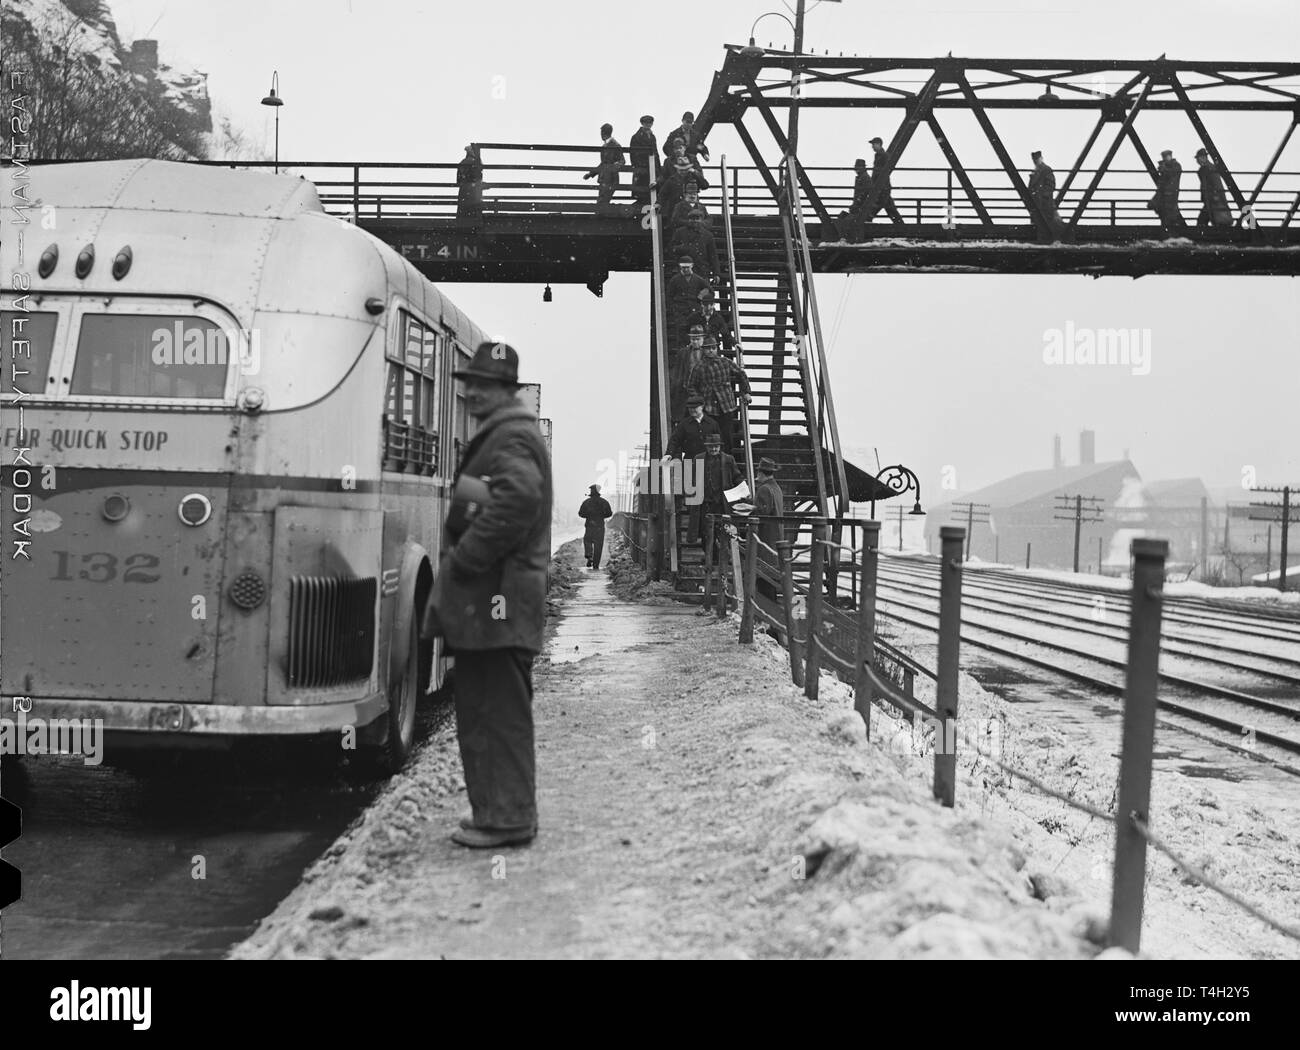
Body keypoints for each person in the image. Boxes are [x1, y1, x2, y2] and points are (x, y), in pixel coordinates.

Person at [427, 342, 552, 849]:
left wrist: (465, 560)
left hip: (498, 598)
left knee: (497, 713)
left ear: (507, 390)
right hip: (490, 602)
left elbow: (516, 501)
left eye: (483, 383)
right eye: (469, 381)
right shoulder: (504, 434)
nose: (471, 390)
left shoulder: (511, 437)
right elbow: (485, 502)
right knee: (483, 707)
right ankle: (496, 814)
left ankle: (509, 820)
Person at [687, 337, 752, 455]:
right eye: (708, 349)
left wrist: (746, 392)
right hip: (709, 408)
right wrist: (699, 402)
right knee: (710, 438)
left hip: (726, 406)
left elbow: (741, 374)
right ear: (703, 350)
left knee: (726, 437)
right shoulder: (699, 367)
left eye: (713, 348)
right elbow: (691, 386)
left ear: (717, 349)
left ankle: (727, 461)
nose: (711, 351)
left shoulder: (725, 362)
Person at [689, 432, 743, 548]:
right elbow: (691, 480)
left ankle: (721, 558)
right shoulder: (698, 459)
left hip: (722, 503)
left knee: (724, 531)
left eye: (716, 446)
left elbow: (737, 476)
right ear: (706, 446)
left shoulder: (728, 460)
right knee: (705, 532)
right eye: (711, 446)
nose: (713, 449)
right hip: (705, 503)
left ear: (720, 446)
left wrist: (744, 488)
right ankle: (710, 558)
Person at [752, 457, 785, 606]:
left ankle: (768, 617)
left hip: (765, 538)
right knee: (770, 580)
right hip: (775, 538)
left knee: (764, 580)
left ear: (760, 473)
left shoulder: (764, 488)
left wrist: (749, 507)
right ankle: (772, 619)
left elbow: (762, 512)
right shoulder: (776, 487)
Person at [666, 255, 709, 348]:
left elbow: (709, 289)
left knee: (696, 334)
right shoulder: (675, 280)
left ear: (692, 266)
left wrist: (700, 296)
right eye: (683, 267)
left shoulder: (698, 279)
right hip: (680, 312)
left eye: (687, 267)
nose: (685, 270)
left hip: (694, 311)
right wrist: (674, 309)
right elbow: (669, 296)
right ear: (680, 267)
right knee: (682, 335)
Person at [669, 209, 719, 280]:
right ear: (688, 220)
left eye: (697, 218)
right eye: (692, 218)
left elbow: (713, 255)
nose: (694, 221)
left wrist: (716, 273)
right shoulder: (679, 232)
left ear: (701, 220)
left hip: (702, 270)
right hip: (683, 270)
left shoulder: (708, 235)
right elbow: (671, 249)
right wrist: (682, 248)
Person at [1028, 150, 1066, 243]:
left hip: (1044, 202)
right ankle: (1051, 239)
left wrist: (1044, 195)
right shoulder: (1037, 171)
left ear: (1041, 158)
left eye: (1036, 159)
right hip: (1038, 202)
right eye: (1034, 159)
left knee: (1047, 221)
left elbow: (1051, 184)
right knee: (1044, 222)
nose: (1035, 161)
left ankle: (1053, 239)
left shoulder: (1046, 169)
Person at [584, 123, 625, 207]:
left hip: (610, 179)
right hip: (605, 179)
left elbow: (622, 161)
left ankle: (601, 218)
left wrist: (614, 166)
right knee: (602, 202)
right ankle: (602, 217)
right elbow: (604, 163)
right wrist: (591, 173)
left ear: (603, 133)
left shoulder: (615, 145)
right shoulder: (607, 145)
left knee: (602, 203)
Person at [868, 137, 903, 224]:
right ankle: (901, 227)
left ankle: (866, 219)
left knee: (877, 206)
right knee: (890, 209)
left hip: (882, 187)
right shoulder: (879, 155)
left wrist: (876, 184)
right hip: (882, 186)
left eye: (873, 144)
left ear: (879, 144)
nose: (872, 146)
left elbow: (883, 172)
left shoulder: (883, 156)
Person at [1195, 148, 1231, 230]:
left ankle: (1204, 235)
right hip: (1211, 198)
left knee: (1205, 219)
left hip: (1213, 199)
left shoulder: (1209, 168)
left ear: (1204, 157)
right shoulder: (1207, 168)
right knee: (1211, 218)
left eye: (1198, 158)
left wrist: (1215, 195)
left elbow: (1216, 183)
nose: (1197, 160)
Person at [578, 484, 613, 569]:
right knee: (598, 545)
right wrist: (601, 516)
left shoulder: (586, 502)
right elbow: (609, 513)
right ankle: (596, 565)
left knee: (587, 540)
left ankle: (589, 555)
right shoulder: (604, 502)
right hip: (600, 526)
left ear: (591, 492)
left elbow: (580, 513)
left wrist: (589, 516)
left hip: (589, 525)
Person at [1150, 150, 1185, 235]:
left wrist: (1164, 169)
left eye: (1167, 156)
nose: (1166, 158)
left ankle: (1170, 233)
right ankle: (1173, 232)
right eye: (1165, 157)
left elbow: (1172, 174)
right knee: (1167, 214)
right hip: (1166, 195)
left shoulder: (1175, 166)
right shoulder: (1171, 166)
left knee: (1169, 215)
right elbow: (1162, 183)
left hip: (1170, 195)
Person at [695, 288, 737, 355]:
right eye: (706, 305)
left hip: (714, 348)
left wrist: (735, 343)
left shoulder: (718, 318)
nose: (708, 308)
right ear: (702, 304)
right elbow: (684, 329)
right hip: (699, 350)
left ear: (714, 304)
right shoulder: (695, 317)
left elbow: (726, 333)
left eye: (710, 305)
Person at [630, 115, 657, 208]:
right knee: (642, 192)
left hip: (651, 167)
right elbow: (633, 155)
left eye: (650, 123)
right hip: (642, 168)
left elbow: (655, 153)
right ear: (642, 124)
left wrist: (657, 167)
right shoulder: (636, 137)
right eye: (646, 123)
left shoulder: (652, 137)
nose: (648, 125)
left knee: (649, 191)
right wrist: (640, 165)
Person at [456, 144, 483, 221]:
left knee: (462, 214)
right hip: (472, 193)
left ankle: (461, 222)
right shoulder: (475, 163)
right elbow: (477, 178)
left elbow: (458, 180)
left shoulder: (462, 162)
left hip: (463, 191)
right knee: (473, 215)